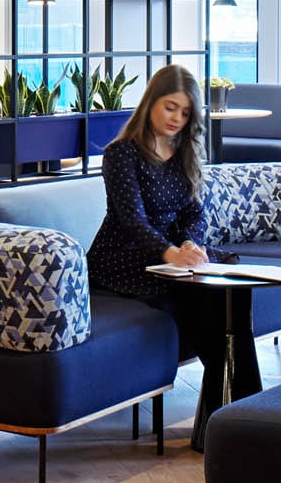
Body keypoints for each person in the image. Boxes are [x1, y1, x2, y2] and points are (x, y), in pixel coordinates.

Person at [87, 66, 240, 437]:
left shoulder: (184, 150)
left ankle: (229, 411)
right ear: (151, 102)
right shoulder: (122, 154)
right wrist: (170, 253)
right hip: (124, 255)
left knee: (224, 293)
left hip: (172, 254)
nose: (177, 119)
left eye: (186, 113)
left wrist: (190, 244)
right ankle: (228, 417)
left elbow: (194, 212)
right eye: (171, 107)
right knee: (198, 298)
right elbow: (131, 220)